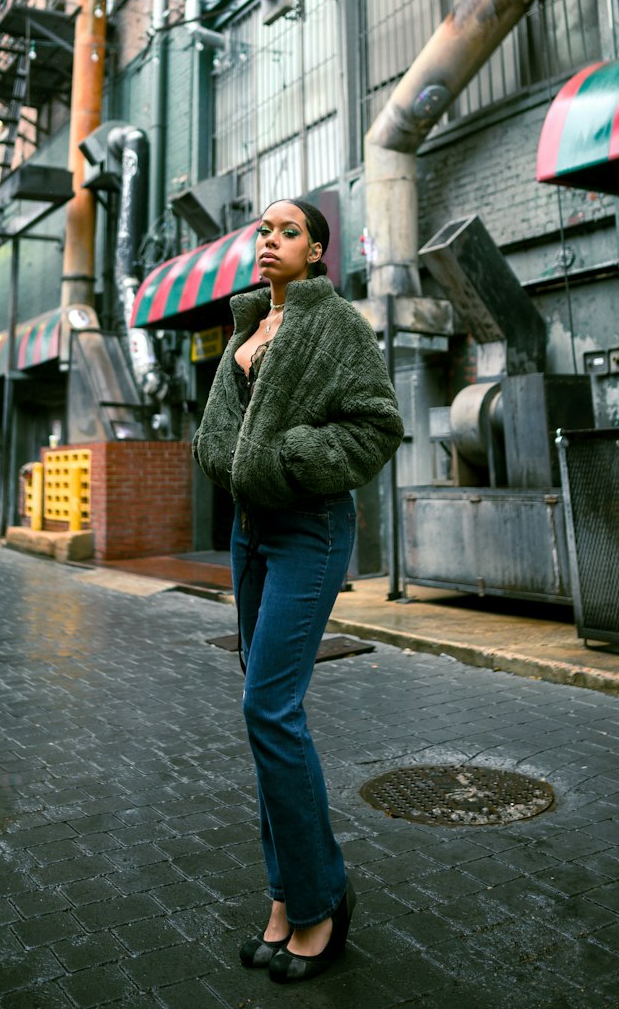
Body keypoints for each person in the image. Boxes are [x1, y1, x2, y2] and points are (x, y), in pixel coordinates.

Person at [193, 198, 404, 983]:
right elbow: (218, 433)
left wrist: (286, 460)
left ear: (316, 251)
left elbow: (376, 425)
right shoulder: (248, 328)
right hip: (250, 530)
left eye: (286, 232)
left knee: (268, 707)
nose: (268, 242)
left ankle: (322, 901)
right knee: (265, 716)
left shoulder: (336, 324)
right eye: (262, 232)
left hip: (309, 528)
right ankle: (285, 897)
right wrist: (233, 463)